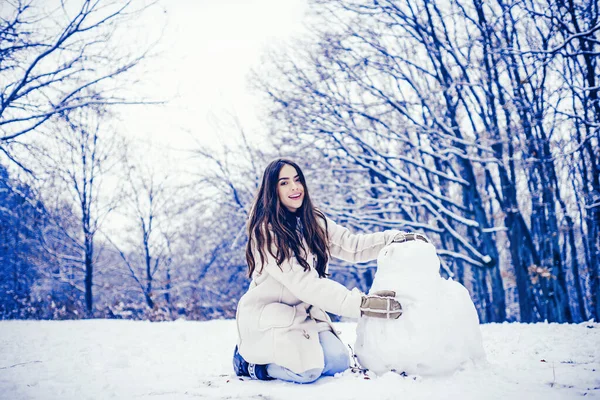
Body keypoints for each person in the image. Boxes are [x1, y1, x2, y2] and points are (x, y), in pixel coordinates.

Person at [233, 158, 417, 384]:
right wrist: (362, 304)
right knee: (307, 372)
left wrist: (392, 239)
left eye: (297, 180)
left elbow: (352, 245)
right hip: (273, 314)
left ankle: (282, 355)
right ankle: (250, 363)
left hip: (305, 311)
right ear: (272, 190)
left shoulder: (313, 220)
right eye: (284, 183)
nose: (294, 187)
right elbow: (306, 284)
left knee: (338, 361)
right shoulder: (267, 233)